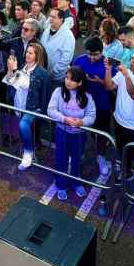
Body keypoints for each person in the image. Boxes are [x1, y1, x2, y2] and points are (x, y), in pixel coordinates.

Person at [103, 52, 134, 193]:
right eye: (131, 59)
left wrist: (126, 76)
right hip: (119, 121)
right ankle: (126, 173)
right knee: (122, 152)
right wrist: (107, 70)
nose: (131, 62)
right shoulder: (123, 73)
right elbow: (109, 86)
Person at [46, 67, 96, 201]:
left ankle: (76, 181)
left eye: (72, 79)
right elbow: (50, 110)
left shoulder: (87, 97)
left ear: (80, 83)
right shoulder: (58, 91)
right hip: (62, 131)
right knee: (61, 158)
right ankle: (61, 184)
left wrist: (81, 122)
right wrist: (64, 119)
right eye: (67, 78)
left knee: (77, 159)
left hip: (79, 134)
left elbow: (91, 116)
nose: (68, 82)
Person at [73, 36, 118, 177]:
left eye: (95, 54)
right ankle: (76, 154)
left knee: (101, 133)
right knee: (79, 131)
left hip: (102, 105)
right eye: (89, 54)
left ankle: (101, 156)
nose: (92, 58)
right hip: (82, 105)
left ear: (101, 51)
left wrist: (101, 81)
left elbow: (112, 87)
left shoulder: (108, 65)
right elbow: (71, 79)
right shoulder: (79, 61)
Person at [2, 42, 51, 170]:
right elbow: (9, 81)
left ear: (37, 55)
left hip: (33, 108)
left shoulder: (42, 73)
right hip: (19, 105)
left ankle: (28, 154)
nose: (27, 54)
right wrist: (10, 69)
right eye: (27, 52)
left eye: (31, 53)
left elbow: (25, 84)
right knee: (23, 128)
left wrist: (14, 69)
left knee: (23, 125)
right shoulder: (23, 67)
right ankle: (27, 149)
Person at [41, 8, 76, 90]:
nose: (51, 19)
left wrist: (54, 72)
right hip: (44, 73)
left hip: (57, 78)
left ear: (61, 19)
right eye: (50, 17)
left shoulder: (68, 35)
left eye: (54, 17)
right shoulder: (47, 30)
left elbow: (66, 58)